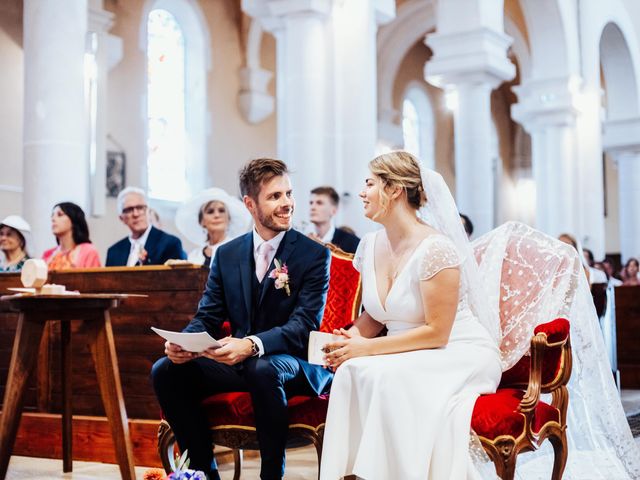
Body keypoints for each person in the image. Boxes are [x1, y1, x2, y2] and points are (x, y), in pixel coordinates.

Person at [320, 151, 502, 479]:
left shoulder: (436, 248)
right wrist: (351, 338)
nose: (362, 193)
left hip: (456, 350)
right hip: (405, 348)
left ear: (394, 191)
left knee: (386, 378)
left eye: (369, 184)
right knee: (349, 372)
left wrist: (367, 348)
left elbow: (437, 331)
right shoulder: (371, 244)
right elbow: (378, 315)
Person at [151, 158, 333, 480]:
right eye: (275, 197)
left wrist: (251, 344)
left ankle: (270, 476)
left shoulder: (314, 254)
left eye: (288, 194)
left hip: (294, 362)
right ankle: (202, 473)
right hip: (238, 363)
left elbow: (305, 325)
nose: (287, 203)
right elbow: (208, 315)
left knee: (262, 368)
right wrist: (183, 343)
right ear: (250, 204)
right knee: (166, 370)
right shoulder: (227, 254)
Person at [106, 187, 186, 266]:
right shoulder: (114, 252)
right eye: (129, 209)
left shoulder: (169, 244)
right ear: (121, 218)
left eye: (140, 208)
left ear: (148, 210)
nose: (136, 214)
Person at [175, 188, 251, 266]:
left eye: (221, 211)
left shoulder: (239, 249)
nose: (217, 215)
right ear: (201, 221)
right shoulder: (194, 256)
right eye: (210, 212)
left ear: (228, 218)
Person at [42, 202, 101, 270]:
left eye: (60, 214)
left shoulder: (89, 251)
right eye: (52, 215)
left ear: (73, 220)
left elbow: (93, 279)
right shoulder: (47, 254)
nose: (53, 219)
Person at [308, 186, 360, 253]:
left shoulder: (352, 243)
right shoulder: (303, 241)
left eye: (319, 203)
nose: (312, 207)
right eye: (311, 203)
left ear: (334, 210)